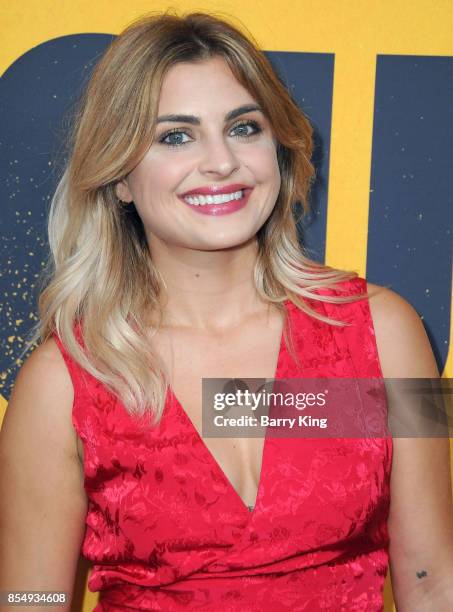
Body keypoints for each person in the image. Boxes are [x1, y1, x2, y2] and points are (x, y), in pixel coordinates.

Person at [0, 11, 452, 612]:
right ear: (119, 179)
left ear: (279, 150)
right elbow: (30, 599)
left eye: (243, 127)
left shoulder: (388, 331)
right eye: (175, 136)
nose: (221, 162)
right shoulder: (60, 384)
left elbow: (432, 578)